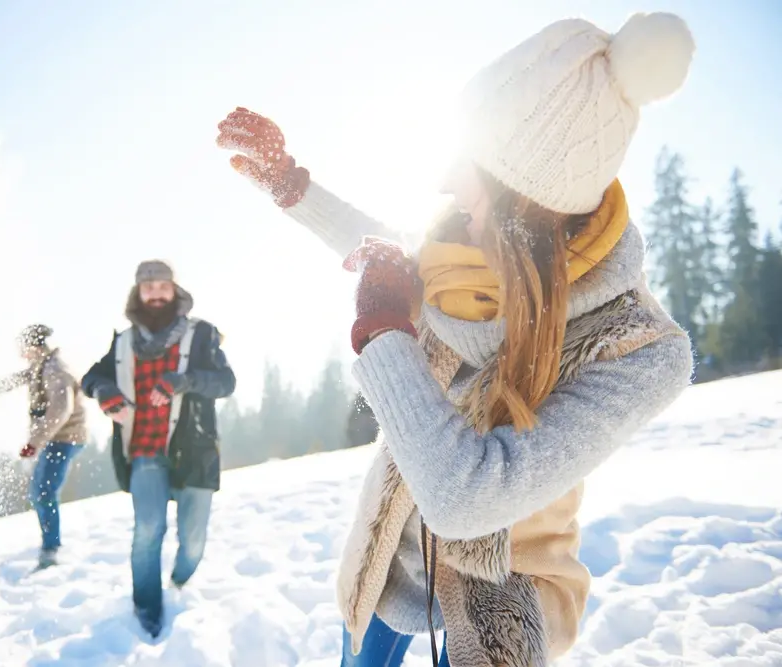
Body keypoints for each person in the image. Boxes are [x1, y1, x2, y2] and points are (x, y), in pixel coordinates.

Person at [217, 12, 696, 667]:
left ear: (526, 192)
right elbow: (380, 242)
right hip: (399, 548)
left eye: (469, 162)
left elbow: (464, 498)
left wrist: (383, 334)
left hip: (504, 587)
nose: (446, 181)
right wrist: (291, 186)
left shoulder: (635, 349)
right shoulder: (461, 250)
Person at [81, 260, 235, 638]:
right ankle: (147, 607)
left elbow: (225, 382)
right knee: (148, 528)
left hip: (195, 450)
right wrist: (105, 392)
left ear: (174, 290)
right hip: (145, 450)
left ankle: (181, 584)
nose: (155, 293)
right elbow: (91, 378)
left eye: (161, 285)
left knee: (194, 539)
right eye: (147, 287)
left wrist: (184, 381)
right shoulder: (123, 342)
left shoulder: (201, 335)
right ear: (138, 292)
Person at [0, 324, 88, 570]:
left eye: (24, 348)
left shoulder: (56, 370)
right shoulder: (40, 366)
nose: (22, 354)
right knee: (39, 492)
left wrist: (34, 443)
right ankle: (49, 544)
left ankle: (51, 550)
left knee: (43, 492)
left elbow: (60, 411)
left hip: (65, 439)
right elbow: (13, 381)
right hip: (55, 439)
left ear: (35, 346)